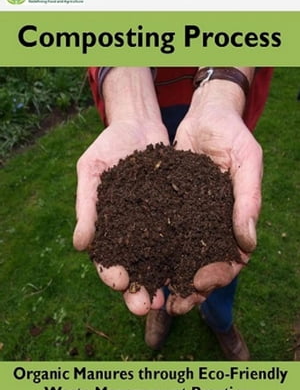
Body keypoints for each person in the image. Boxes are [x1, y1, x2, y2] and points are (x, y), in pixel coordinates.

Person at [73, 66, 273, 360]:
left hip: (222, 94)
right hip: (147, 89)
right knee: (157, 271)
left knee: (222, 256)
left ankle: (220, 321)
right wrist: (129, 95)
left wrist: (223, 85)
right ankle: (162, 304)